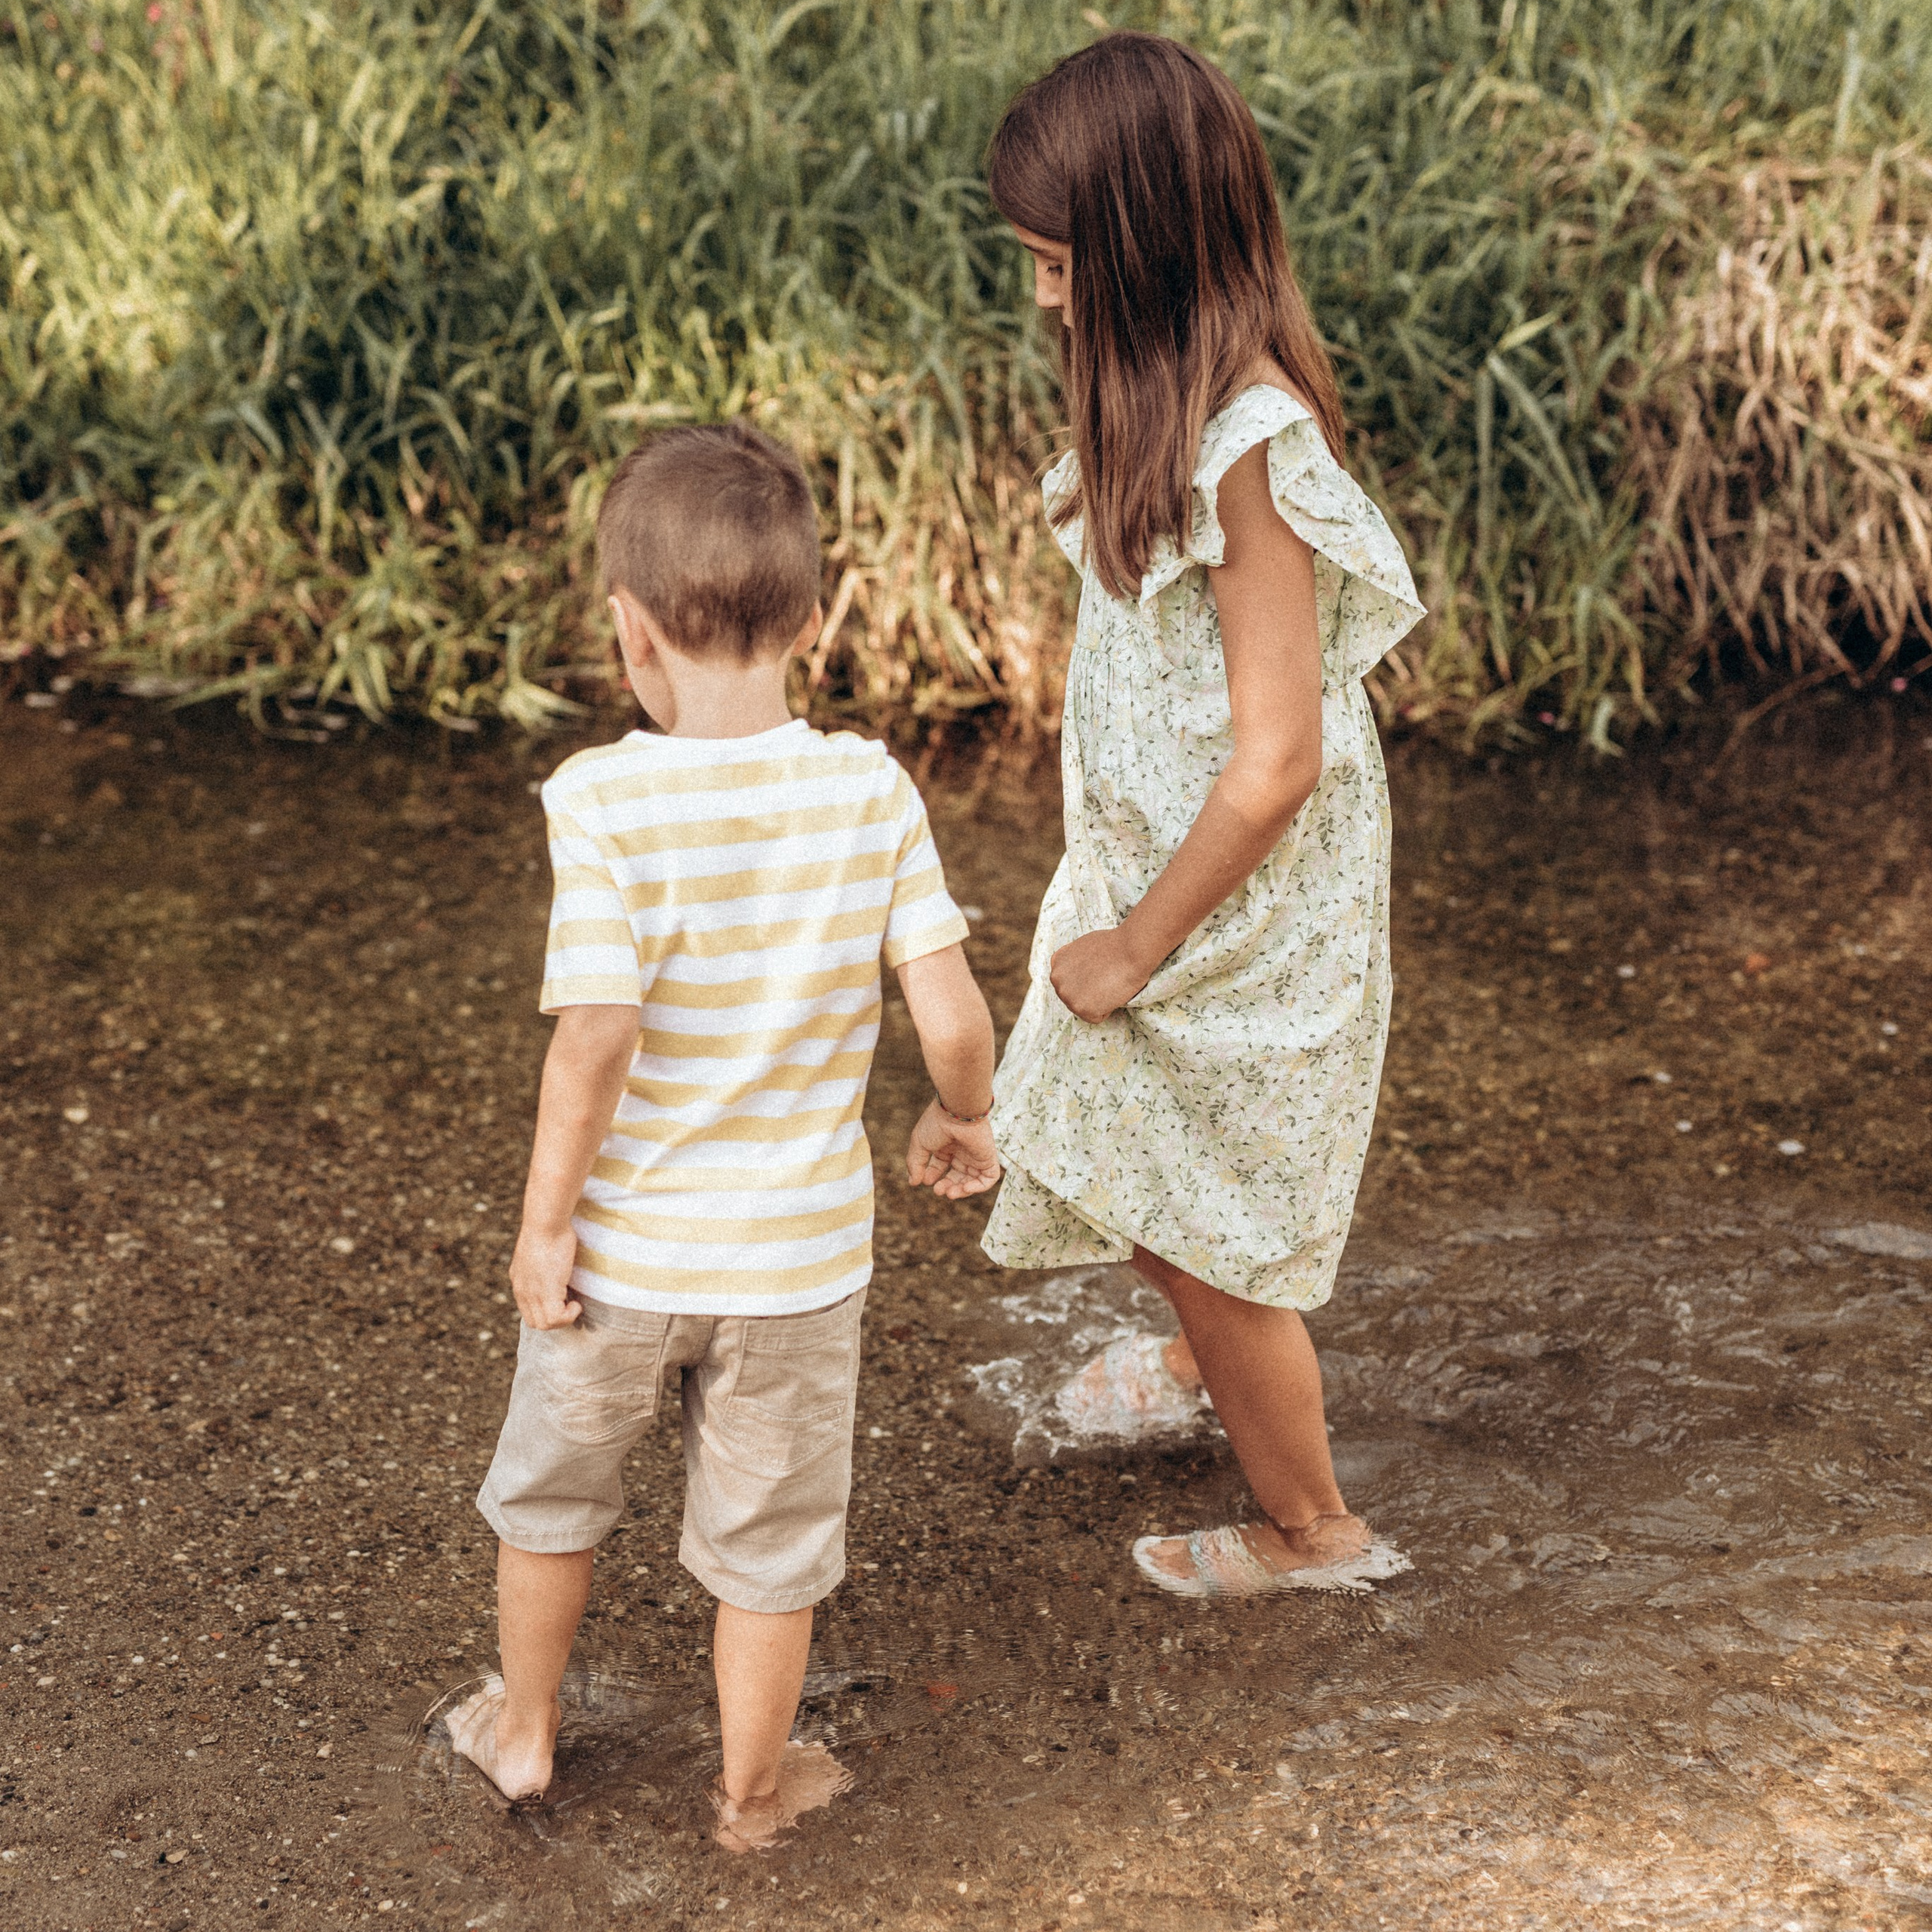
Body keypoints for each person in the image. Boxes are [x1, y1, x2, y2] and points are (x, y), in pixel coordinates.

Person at [447, 422, 1000, 1848]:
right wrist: (962, 1111)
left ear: (628, 636)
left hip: (624, 1259)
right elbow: (948, 1008)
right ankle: (752, 1797)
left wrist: (543, 1223)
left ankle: (521, 1738)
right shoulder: (872, 791)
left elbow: (598, 1035)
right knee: (771, 1551)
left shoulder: (601, 799)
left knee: (552, 1498)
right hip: (798, 1270)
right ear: (811, 625)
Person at [979, 32, 1425, 1597]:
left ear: (1145, 252)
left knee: (1202, 1208)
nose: (1040, 295)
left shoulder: (1246, 449)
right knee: (1127, 1147)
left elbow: (1275, 759)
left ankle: (1314, 1529)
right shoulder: (1161, 399)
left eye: (1055, 263)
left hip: (1229, 914)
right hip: (1158, 873)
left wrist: (1135, 945)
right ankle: (1197, 1353)